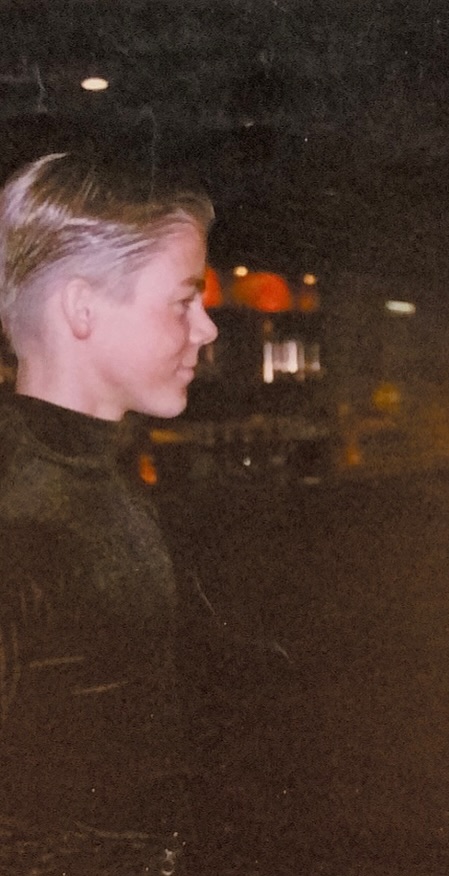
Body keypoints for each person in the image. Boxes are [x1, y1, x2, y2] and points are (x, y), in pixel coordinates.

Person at [0, 152, 218, 874]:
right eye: (183, 301)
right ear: (82, 308)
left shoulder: (94, 476)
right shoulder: (23, 514)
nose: (207, 329)